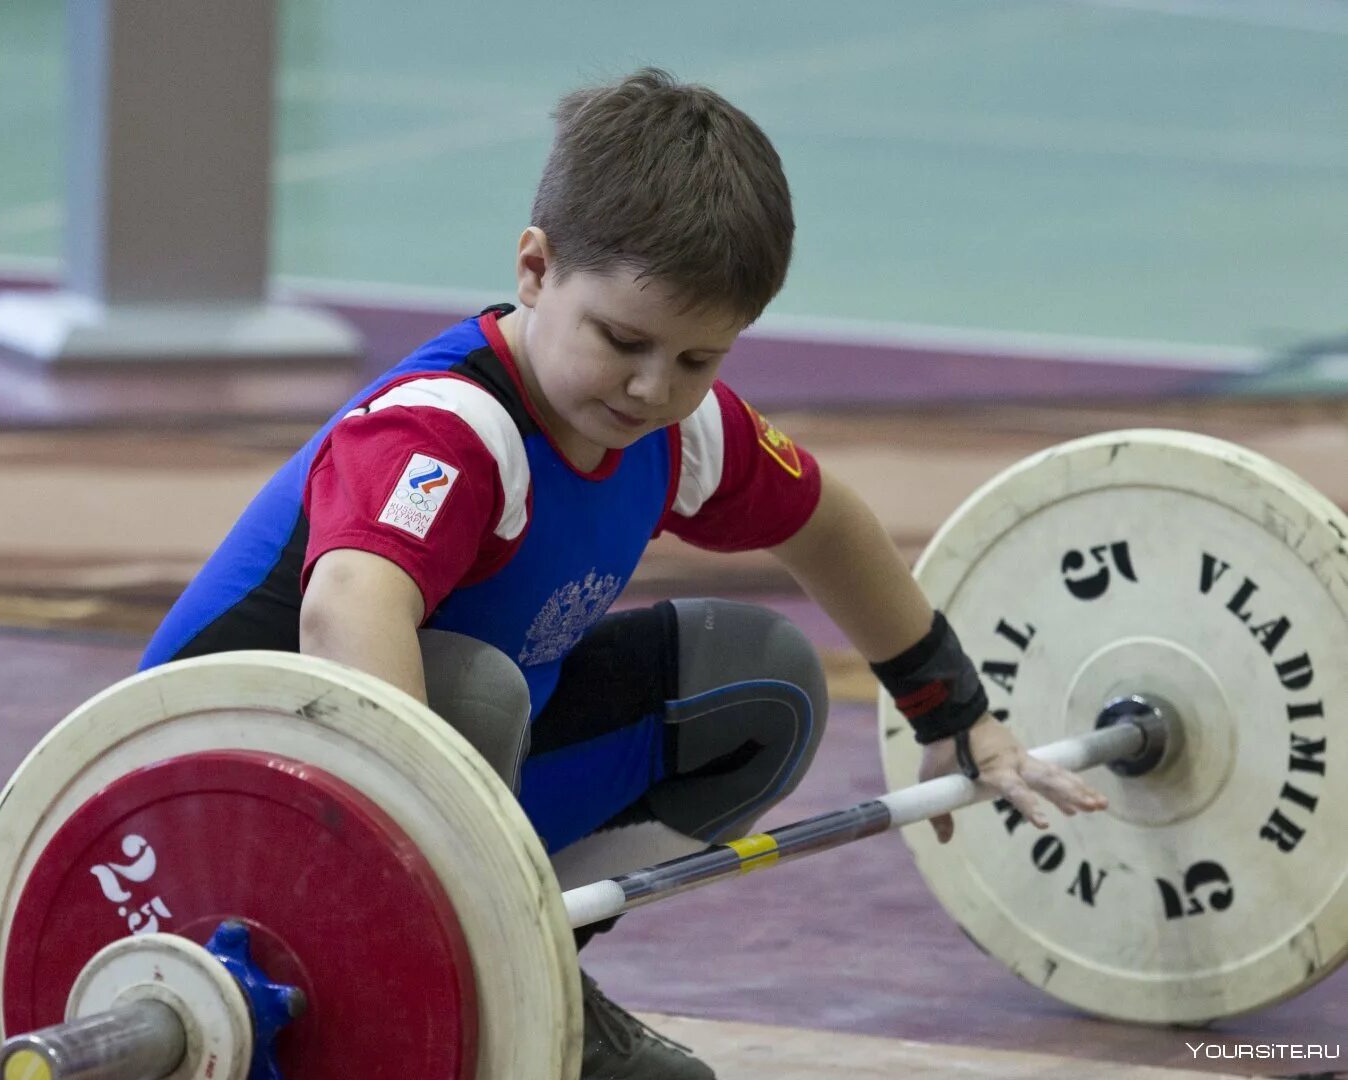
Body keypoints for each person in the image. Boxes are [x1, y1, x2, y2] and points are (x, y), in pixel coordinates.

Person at [141, 68, 1108, 1080]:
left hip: (427, 808)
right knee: (468, 685)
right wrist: (422, 872)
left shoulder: (676, 429)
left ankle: (521, 967)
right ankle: (433, 979)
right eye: (624, 341)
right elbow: (348, 611)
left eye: (700, 359)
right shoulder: (446, 432)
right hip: (206, 833)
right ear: (534, 268)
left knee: (762, 684)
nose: (655, 388)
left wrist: (953, 708)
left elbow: (827, 524)